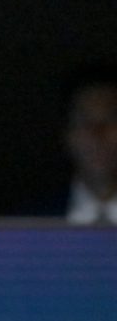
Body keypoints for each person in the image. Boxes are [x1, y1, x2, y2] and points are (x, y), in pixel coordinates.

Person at [61, 66, 117, 225]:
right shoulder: (23, 225)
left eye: (112, 120)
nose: (97, 133)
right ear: (67, 134)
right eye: (83, 121)